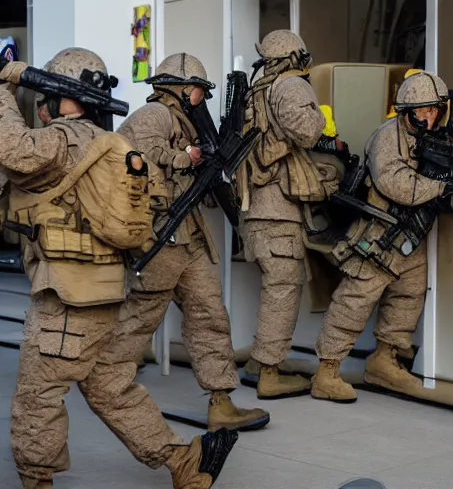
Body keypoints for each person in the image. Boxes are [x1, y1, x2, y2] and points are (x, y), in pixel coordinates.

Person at [0, 48, 237, 489]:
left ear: (59, 97)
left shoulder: (64, 140)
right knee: (112, 386)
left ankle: (36, 481)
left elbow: (13, 151)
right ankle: (185, 462)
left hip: (68, 299)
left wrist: (3, 91)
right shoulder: (108, 143)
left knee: (38, 397)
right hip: (107, 291)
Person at [115, 52, 270, 432]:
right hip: (162, 234)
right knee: (139, 319)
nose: (202, 98)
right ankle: (105, 383)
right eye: (199, 91)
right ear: (183, 90)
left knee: (209, 316)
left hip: (187, 234)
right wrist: (185, 157)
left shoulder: (185, 120)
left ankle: (220, 401)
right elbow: (135, 155)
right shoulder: (154, 115)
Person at [312, 71, 453, 403]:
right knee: (355, 300)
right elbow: (395, 183)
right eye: (422, 111)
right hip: (378, 234)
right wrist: (441, 188)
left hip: (412, 237)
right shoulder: (386, 138)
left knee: (409, 298)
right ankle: (326, 371)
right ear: (407, 111)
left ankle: (385, 360)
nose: (429, 117)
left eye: (435, 110)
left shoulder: (435, 140)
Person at [237, 30, 346, 400]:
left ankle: (257, 363)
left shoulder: (256, 90)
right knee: (283, 289)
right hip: (277, 211)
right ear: (297, 55)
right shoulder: (290, 86)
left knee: (275, 287)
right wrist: (320, 116)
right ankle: (269, 372)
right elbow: (308, 130)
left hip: (256, 209)